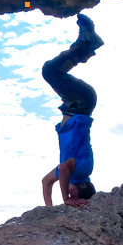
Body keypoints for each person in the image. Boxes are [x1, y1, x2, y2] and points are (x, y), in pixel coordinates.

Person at [40, 13, 103, 208]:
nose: (68, 191)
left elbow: (46, 181)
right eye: (73, 192)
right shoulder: (83, 170)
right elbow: (64, 167)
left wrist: (49, 209)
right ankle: (86, 44)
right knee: (50, 72)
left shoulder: (66, 173)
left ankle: (86, 46)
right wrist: (67, 199)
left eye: (69, 193)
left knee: (52, 72)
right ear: (82, 186)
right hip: (83, 103)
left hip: (73, 105)